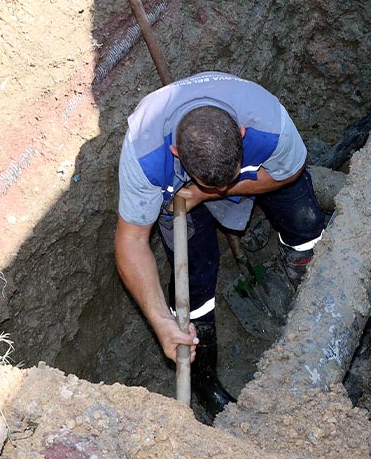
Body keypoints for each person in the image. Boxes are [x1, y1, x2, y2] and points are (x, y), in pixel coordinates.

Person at [114, 71, 326, 418]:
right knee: (195, 283)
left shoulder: (268, 123)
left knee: (305, 220)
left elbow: (288, 171)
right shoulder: (145, 155)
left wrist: (213, 190)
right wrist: (158, 320)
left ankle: (304, 276)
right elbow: (132, 239)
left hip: (220, 180)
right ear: (176, 153)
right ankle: (207, 384)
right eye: (210, 185)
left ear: (241, 134)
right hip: (177, 193)